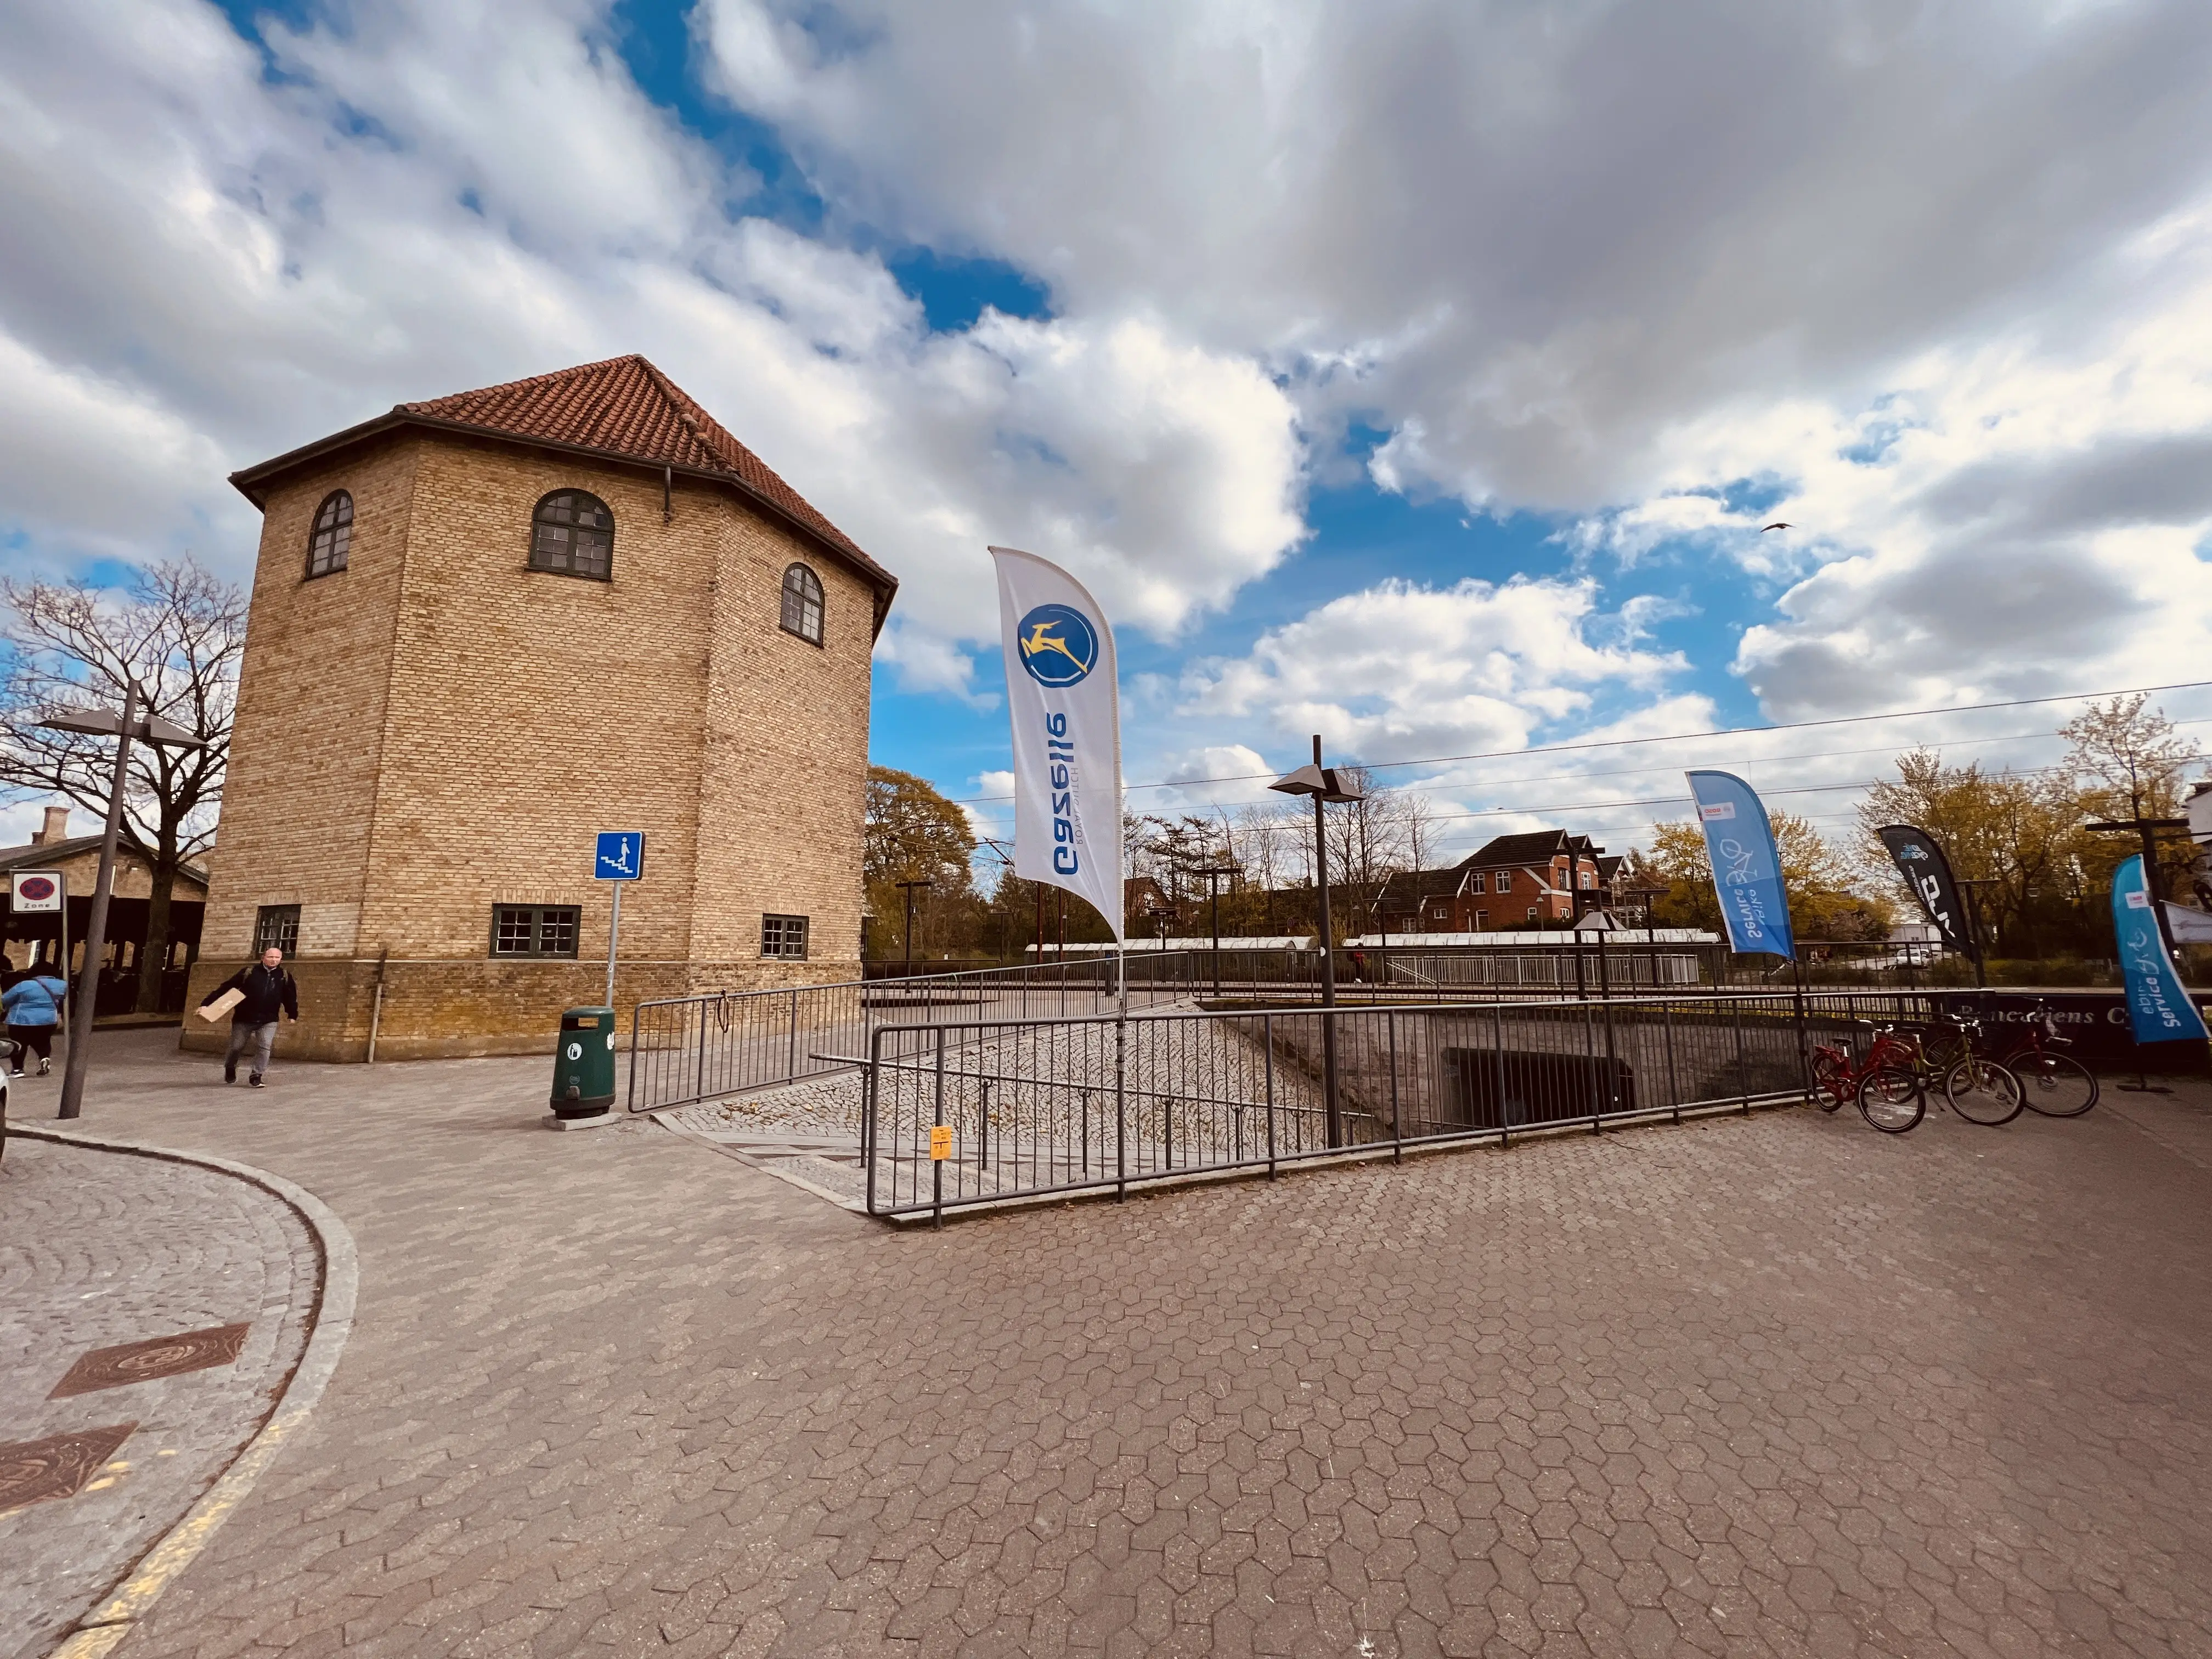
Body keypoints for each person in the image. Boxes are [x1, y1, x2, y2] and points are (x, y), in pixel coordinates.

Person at [199, 946, 300, 1087]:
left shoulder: (284, 976)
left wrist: (292, 1013)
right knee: (236, 1047)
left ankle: (256, 1075)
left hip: (268, 1020)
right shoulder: (249, 972)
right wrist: (206, 1003)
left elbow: (290, 997)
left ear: (281, 959)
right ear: (263, 958)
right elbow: (226, 987)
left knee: (265, 1046)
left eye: (277, 957)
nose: (274, 960)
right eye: (271, 957)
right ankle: (230, 1067)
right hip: (244, 1018)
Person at [3, 958, 69, 1078]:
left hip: (21, 1020)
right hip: (49, 1020)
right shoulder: (63, 985)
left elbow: (6, 999)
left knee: (19, 1044)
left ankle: (18, 1070)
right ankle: (44, 1058)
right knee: (43, 1040)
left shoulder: (25, 985)